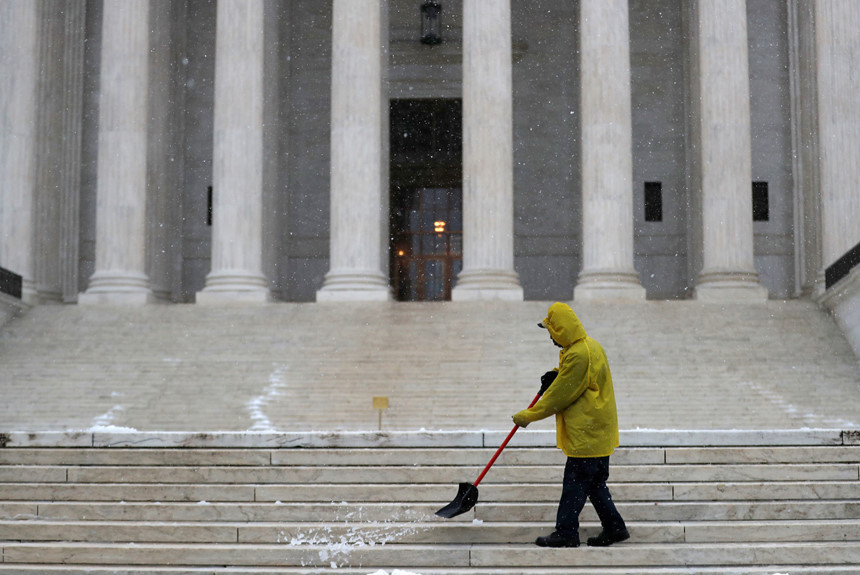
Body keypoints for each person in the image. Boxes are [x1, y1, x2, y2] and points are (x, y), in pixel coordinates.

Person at [512, 302, 629, 548]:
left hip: (586, 434)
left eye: (551, 331)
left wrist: (528, 415)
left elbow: (560, 396)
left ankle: (566, 532)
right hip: (599, 432)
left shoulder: (578, 354)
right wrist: (557, 373)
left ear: (561, 330)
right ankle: (615, 528)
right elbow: (577, 377)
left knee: (574, 484)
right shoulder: (589, 346)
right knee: (595, 484)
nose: (550, 337)